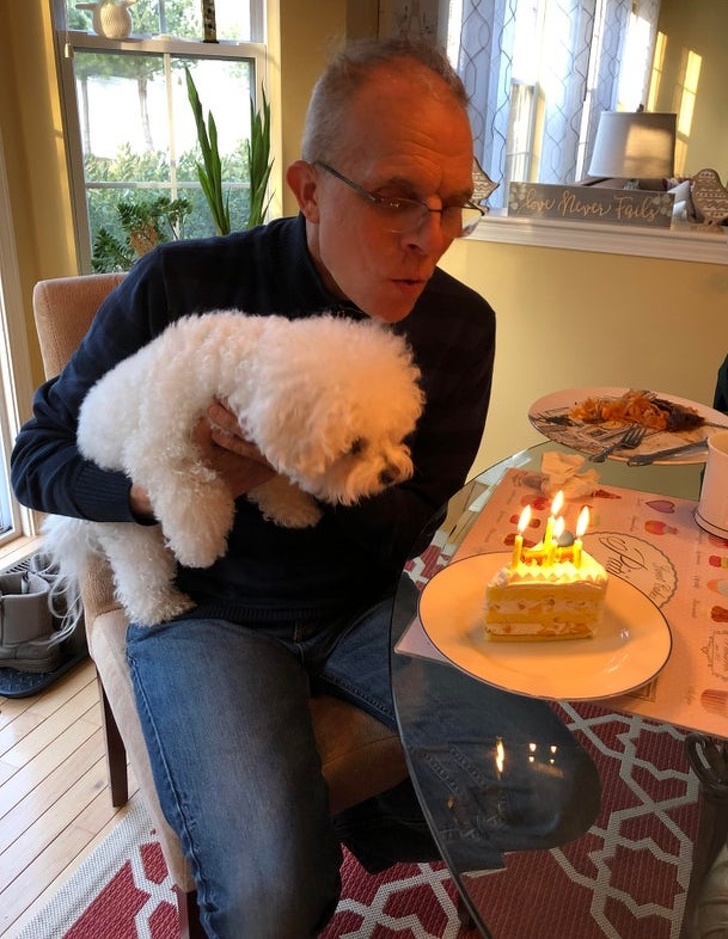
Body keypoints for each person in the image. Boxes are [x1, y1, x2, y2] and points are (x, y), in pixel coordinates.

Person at [12, 38, 599, 938]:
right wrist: (162, 492)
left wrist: (308, 473)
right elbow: (35, 456)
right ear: (308, 189)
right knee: (270, 899)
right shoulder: (183, 286)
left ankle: (344, 823)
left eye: (453, 202)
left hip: (365, 603)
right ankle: (291, 849)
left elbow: (411, 525)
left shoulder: (458, 328)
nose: (430, 236)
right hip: (206, 613)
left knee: (554, 787)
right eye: (396, 197)